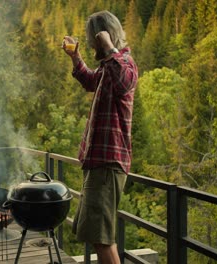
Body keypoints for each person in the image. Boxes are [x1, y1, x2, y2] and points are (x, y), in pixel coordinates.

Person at [63, 11, 138, 264]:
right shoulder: (108, 67)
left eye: (93, 40)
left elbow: (124, 82)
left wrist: (109, 48)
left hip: (108, 164)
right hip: (98, 163)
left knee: (102, 238)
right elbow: (89, 80)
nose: (91, 44)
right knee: (101, 237)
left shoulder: (124, 63)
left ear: (105, 36)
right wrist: (76, 57)